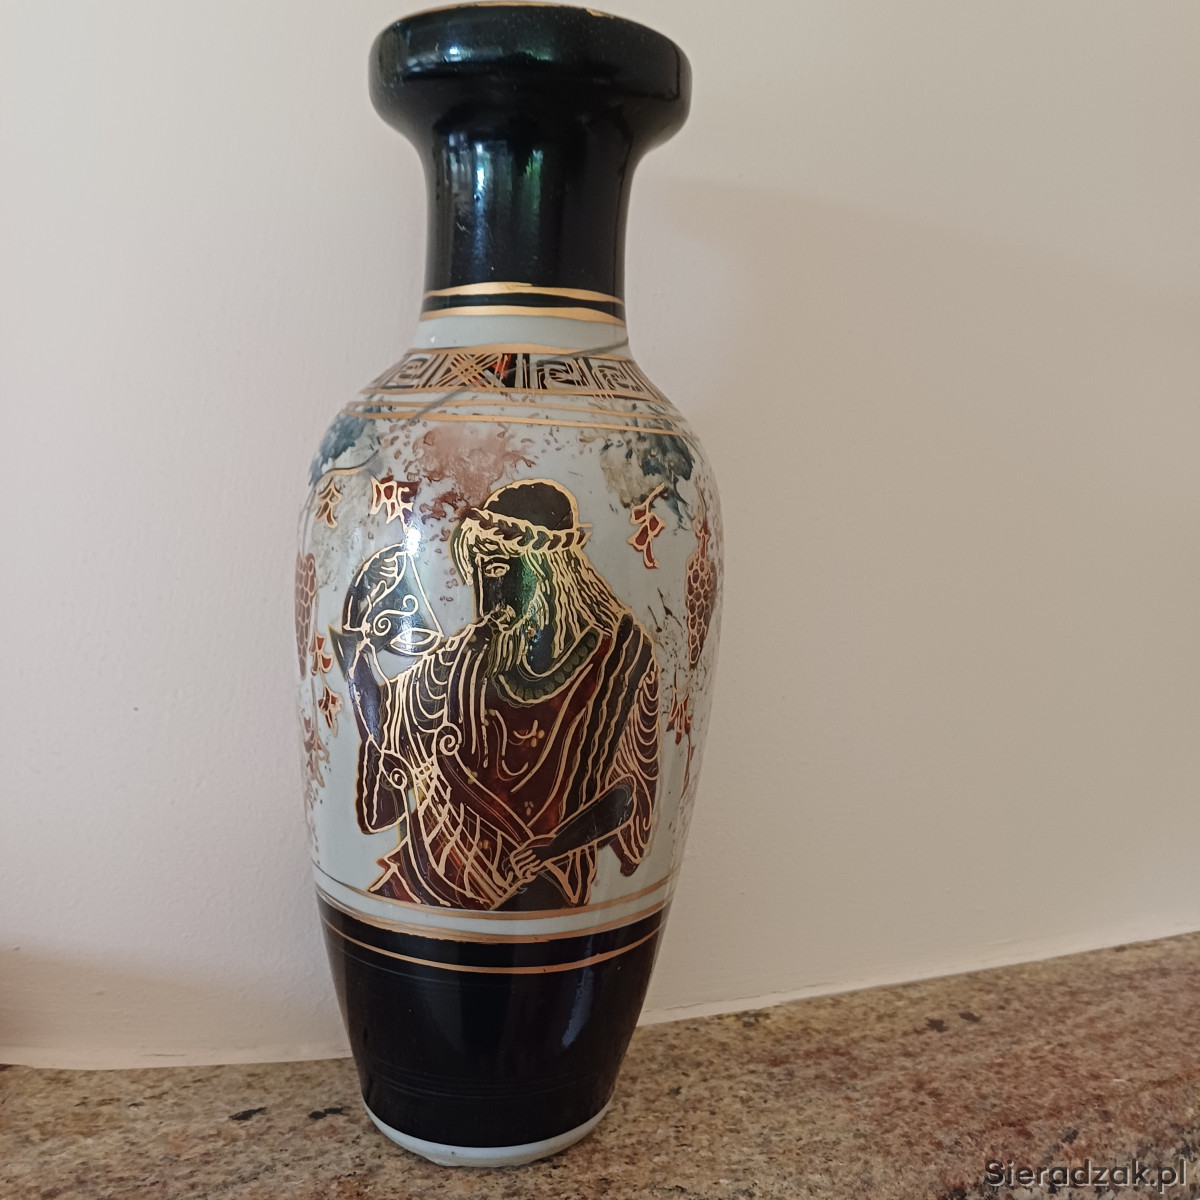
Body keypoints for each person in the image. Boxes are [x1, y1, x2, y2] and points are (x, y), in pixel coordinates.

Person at [338, 479, 661, 911]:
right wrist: (358, 640)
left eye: (496, 571)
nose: (486, 598)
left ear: (548, 571)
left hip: (541, 885)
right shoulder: (467, 654)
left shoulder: (620, 658)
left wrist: (554, 846)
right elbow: (386, 721)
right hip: (428, 877)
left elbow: (628, 795)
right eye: (479, 576)